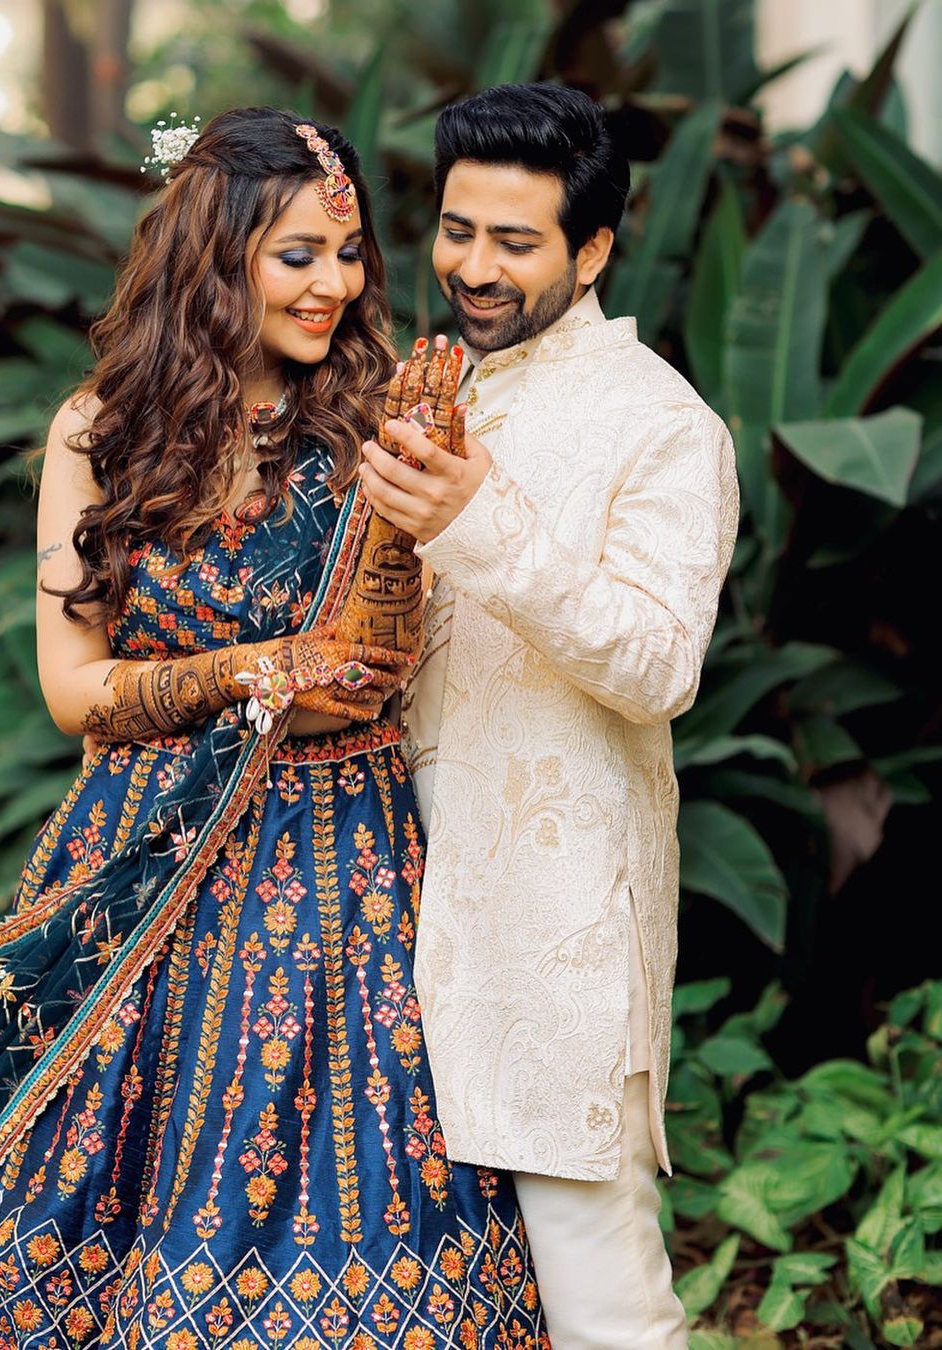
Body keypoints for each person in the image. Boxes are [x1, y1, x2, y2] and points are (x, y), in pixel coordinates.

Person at [0, 106, 548, 1349]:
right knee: (112, 1173)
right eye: (298, 255)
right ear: (215, 248)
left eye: (348, 257)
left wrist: (378, 582)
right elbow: (72, 686)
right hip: (148, 852)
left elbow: (384, 654)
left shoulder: (372, 427)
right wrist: (243, 671)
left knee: (340, 1170)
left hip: (343, 855)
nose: (335, 287)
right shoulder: (102, 433)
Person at [358, 84, 740, 1347]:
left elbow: (656, 663)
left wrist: (474, 522)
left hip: (554, 935)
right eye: (458, 229)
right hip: (372, 918)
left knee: (599, 1301)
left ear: (591, 251)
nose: (471, 265)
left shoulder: (664, 428)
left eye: (514, 243)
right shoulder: (424, 386)